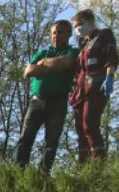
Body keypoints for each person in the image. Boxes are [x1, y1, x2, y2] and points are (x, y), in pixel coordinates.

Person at [16, 20, 78, 172]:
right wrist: (53, 66)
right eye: (54, 33)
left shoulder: (72, 52)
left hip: (57, 102)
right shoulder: (43, 52)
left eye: (60, 32)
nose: (56, 36)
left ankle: (43, 174)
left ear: (69, 34)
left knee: (51, 142)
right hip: (36, 102)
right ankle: (18, 171)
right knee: (25, 138)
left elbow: (68, 63)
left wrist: (42, 64)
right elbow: (28, 72)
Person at [70, 9, 119, 163]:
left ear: (91, 21)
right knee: (80, 130)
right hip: (79, 92)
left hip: (96, 86)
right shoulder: (82, 44)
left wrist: (109, 77)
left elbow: (111, 57)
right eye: (75, 26)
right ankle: (83, 167)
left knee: (89, 125)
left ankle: (98, 165)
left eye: (81, 24)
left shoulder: (104, 35)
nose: (78, 29)